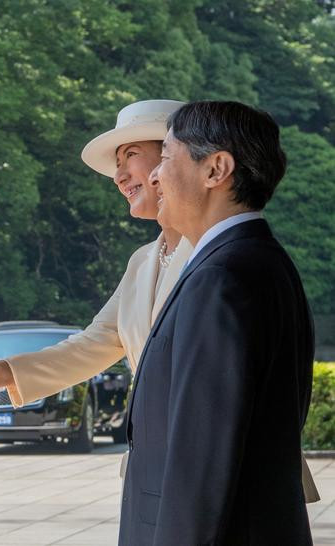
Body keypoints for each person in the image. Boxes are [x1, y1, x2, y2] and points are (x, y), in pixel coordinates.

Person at [118, 101, 314, 545]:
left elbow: (199, 460)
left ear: (216, 169)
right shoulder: (257, 261)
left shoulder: (221, 278)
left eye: (165, 157)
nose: (153, 176)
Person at [0, 99, 191, 426]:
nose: (118, 176)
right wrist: (3, 373)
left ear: (177, 158)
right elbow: (92, 344)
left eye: (131, 155)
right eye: (117, 163)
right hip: (151, 451)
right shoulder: (142, 262)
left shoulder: (218, 255)